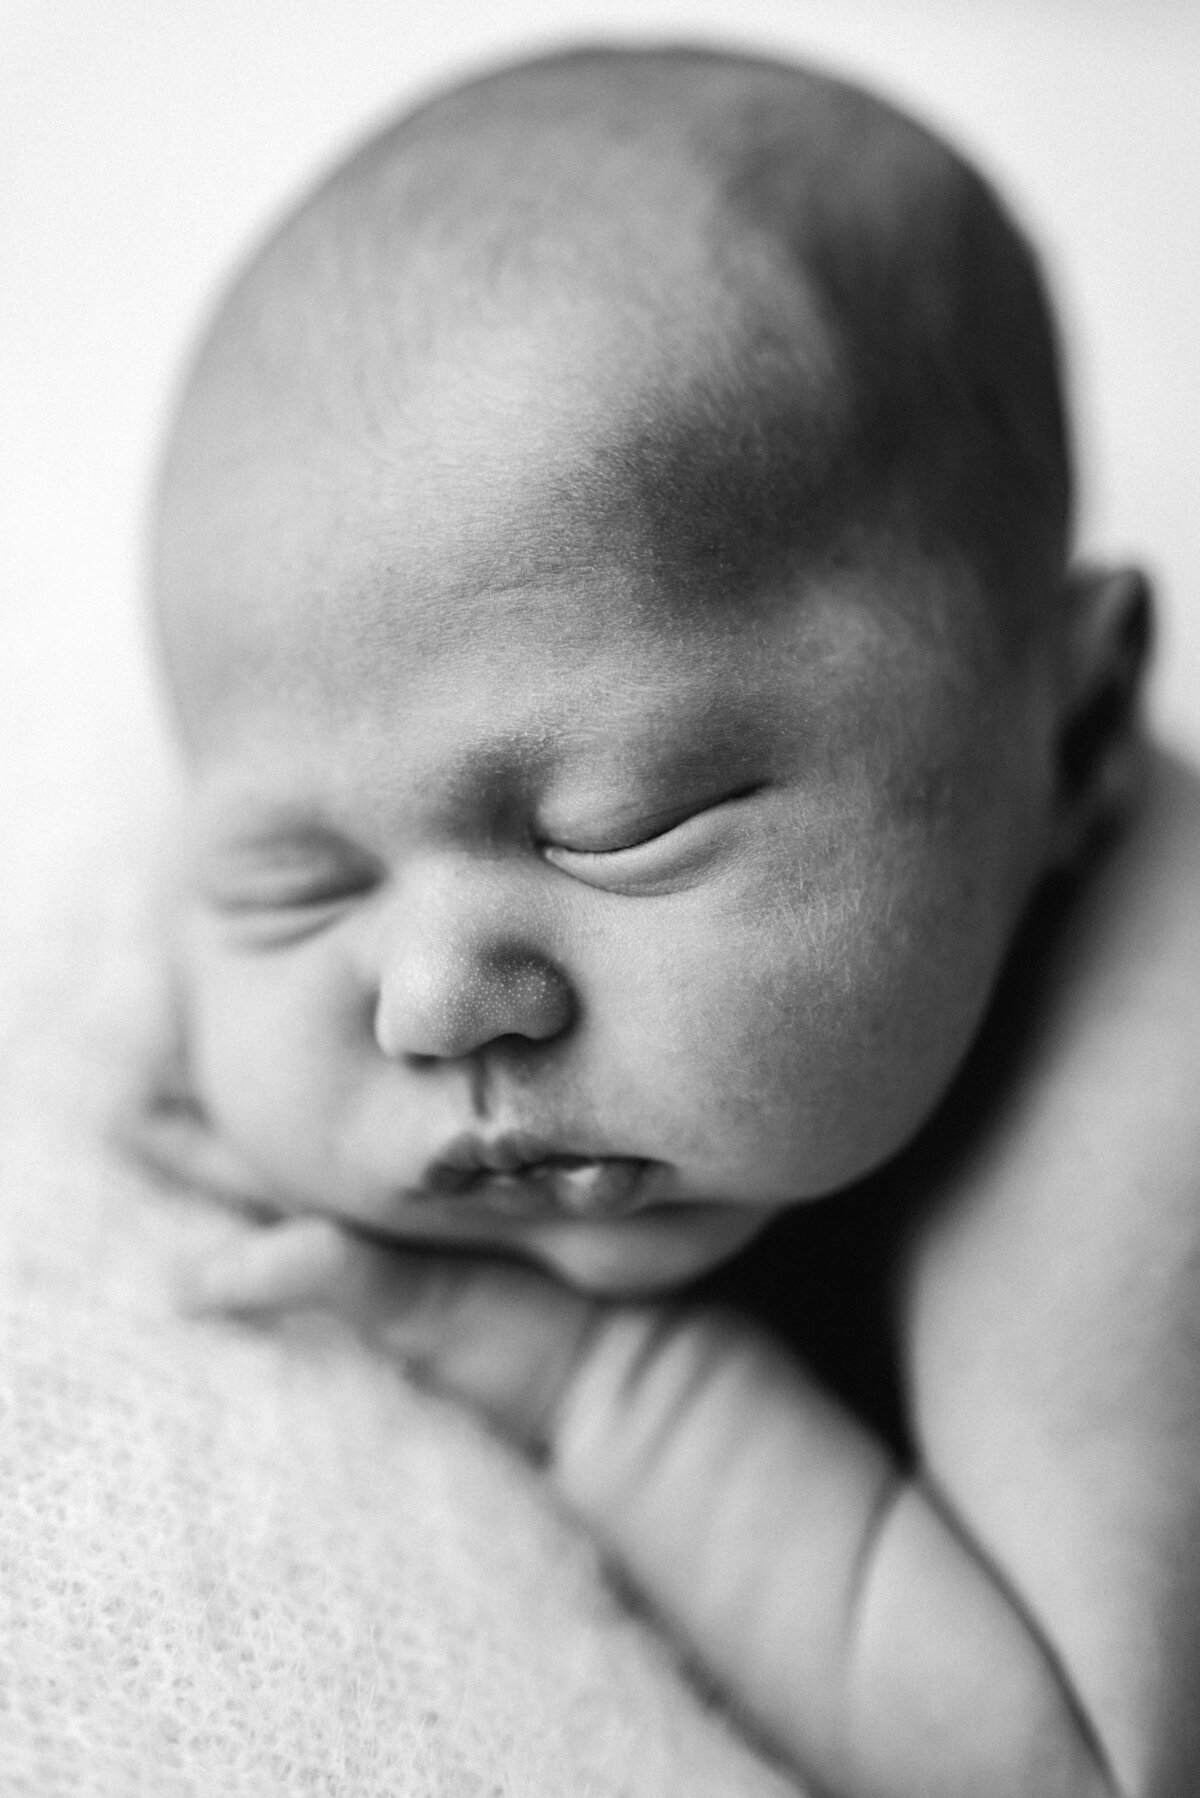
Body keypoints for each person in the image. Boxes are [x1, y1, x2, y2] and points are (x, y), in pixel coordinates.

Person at [131, 44, 1200, 1798]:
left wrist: (609, 1385)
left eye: (624, 827)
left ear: (1071, 736)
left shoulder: (1148, 1057)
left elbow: (1070, 1763)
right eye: (296, 882)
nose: (433, 999)